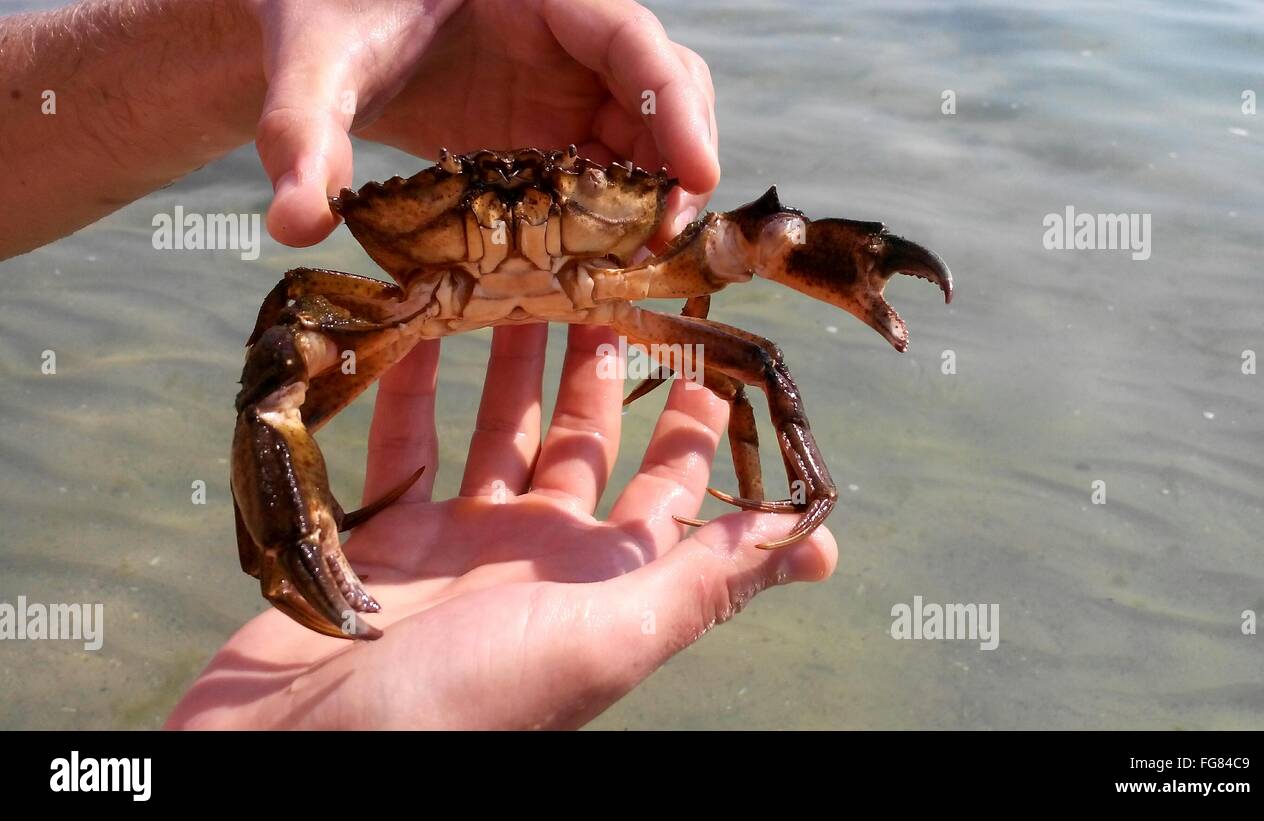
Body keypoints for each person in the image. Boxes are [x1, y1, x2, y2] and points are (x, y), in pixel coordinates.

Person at [1, 0, 837, 729]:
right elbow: (275, 372)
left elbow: (750, 252)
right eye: (469, 203)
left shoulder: (650, 257)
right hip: (450, 304)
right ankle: (286, 553)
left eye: (552, 196)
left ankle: (786, 491)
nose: (510, 220)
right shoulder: (345, 293)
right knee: (273, 393)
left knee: (748, 361)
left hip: (552, 287)